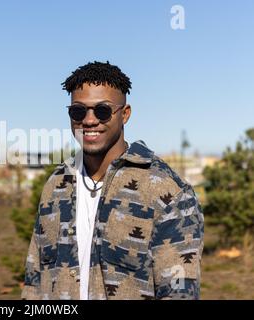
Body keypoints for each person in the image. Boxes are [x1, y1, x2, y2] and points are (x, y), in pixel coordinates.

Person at [21, 61, 204, 300]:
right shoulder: (56, 186)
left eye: (102, 111)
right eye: (78, 111)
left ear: (125, 114)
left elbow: (180, 294)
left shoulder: (167, 192)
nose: (88, 121)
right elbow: (34, 281)